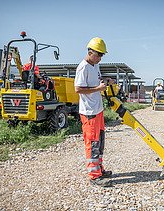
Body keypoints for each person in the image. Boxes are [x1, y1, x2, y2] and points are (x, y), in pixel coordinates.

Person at [74, 37, 113, 187]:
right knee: (92, 143)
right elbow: (78, 89)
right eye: (99, 55)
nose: (101, 59)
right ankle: (94, 176)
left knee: (100, 141)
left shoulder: (94, 65)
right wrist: (98, 89)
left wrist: (106, 80)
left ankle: (99, 169)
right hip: (89, 112)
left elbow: (96, 80)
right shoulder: (83, 67)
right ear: (90, 52)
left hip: (98, 110)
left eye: (102, 55)